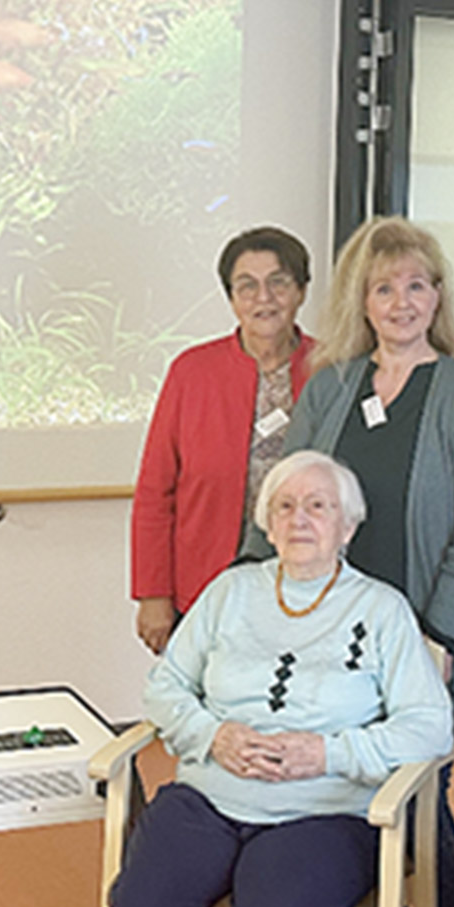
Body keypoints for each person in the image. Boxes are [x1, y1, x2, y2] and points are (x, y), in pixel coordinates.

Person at [107, 450, 453, 907]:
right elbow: (165, 687)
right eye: (285, 506)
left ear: (348, 526)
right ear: (267, 524)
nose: (300, 519)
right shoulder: (230, 592)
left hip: (323, 815)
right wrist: (212, 736)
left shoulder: (381, 609)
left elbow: (430, 727)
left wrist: (328, 753)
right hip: (208, 800)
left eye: (318, 506)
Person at [271, 216, 454, 907]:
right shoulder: (333, 386)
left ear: (437, 297)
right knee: (350, 788)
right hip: (334, 635)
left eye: (416, 284)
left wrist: (439, 631)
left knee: (419, 789)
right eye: (384, 287)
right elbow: (286, 491)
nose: (401, 301)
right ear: (361, 301)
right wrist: (255, 591)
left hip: (432, 636)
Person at [131, 226, 317, 654]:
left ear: (302, 291)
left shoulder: (333, 369)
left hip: (307, 587)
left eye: (278, 283)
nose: (263, 298)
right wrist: (153, 593)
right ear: (231, 297)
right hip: (204, 584)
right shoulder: (191, 372)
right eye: (246, 286)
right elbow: (155, 492)